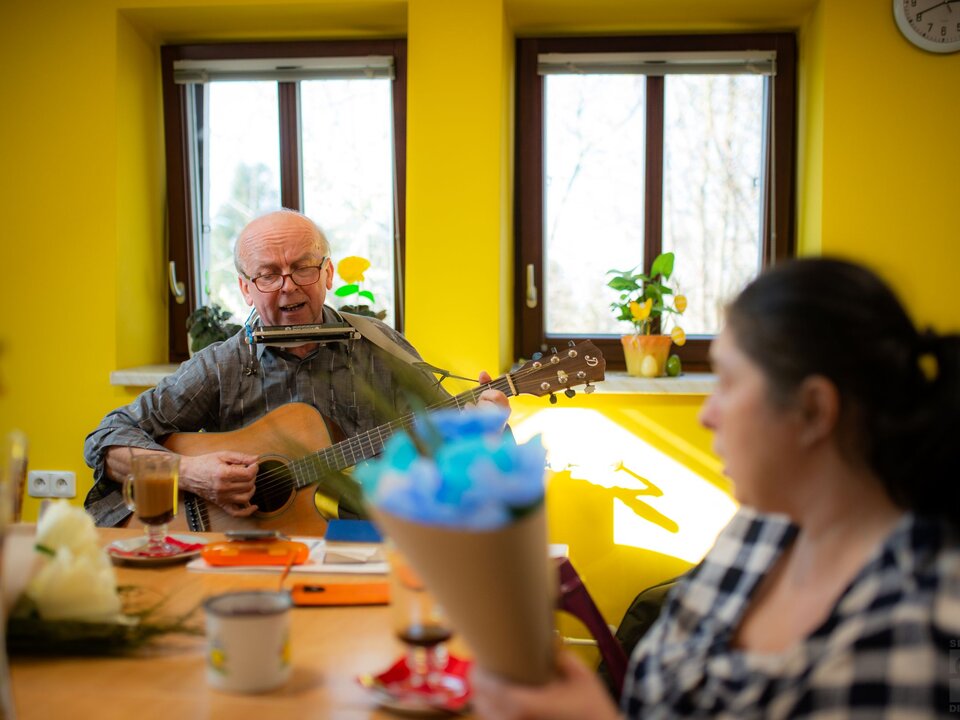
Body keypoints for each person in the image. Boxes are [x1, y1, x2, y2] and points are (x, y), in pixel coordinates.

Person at [472, 257, 960, 718]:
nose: (707, 414)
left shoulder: (916, 634)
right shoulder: (760, 527)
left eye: (726, 382)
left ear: (814, 409)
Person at [84, 209, 508, 527]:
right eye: (268, 274)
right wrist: (192, 473)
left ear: (328, 273)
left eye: (303, 267)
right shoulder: (223, 363)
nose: (288, 285)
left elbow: (457, 443)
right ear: (246, 289)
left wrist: (487, 424)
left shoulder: (380, 348)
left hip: (364, 542)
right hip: (247, 551)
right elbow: (106, 438)